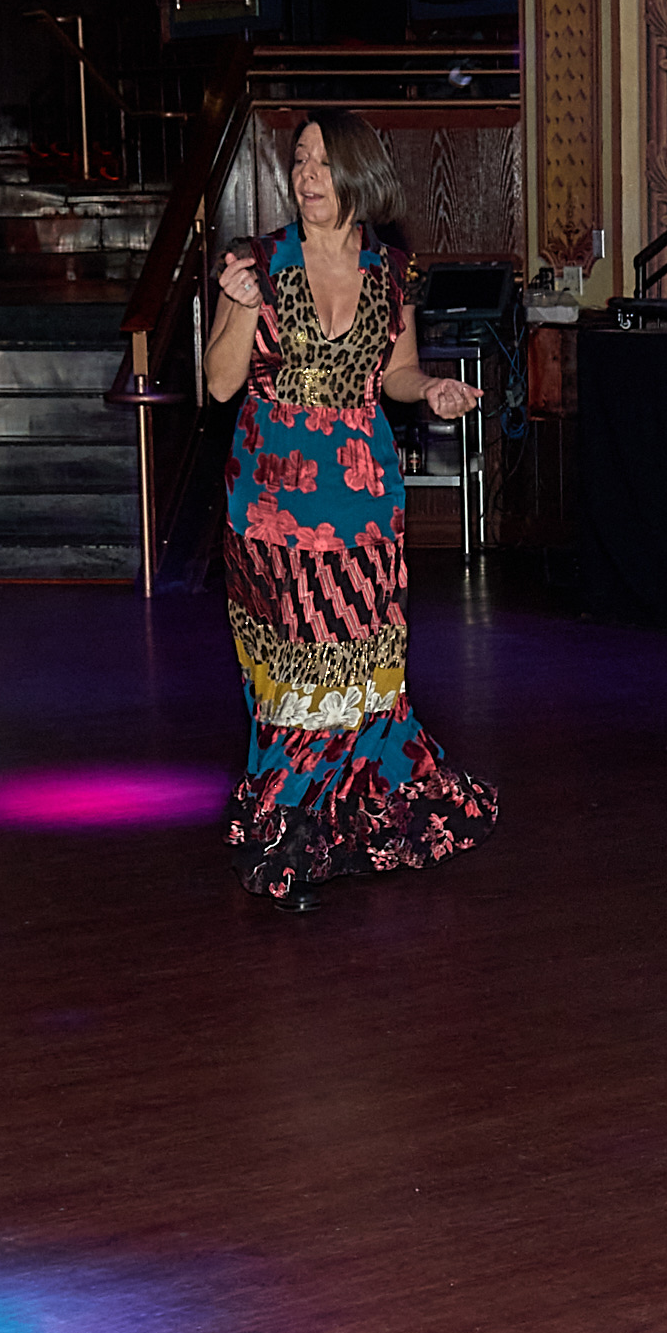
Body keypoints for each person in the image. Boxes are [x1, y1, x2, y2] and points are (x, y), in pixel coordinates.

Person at [197, 109, 499, 909]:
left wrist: (429, 389)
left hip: (363, 498)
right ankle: (288, 832)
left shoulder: (392, 272)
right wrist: (236, 305)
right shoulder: (257, 262)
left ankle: (351, 815)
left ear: (360, 174)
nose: (306, 176)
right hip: (273, 502)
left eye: (322, 162)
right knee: (298, 670)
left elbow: (394, 372)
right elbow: (220, 385)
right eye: (299, 160)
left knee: (364, 667)